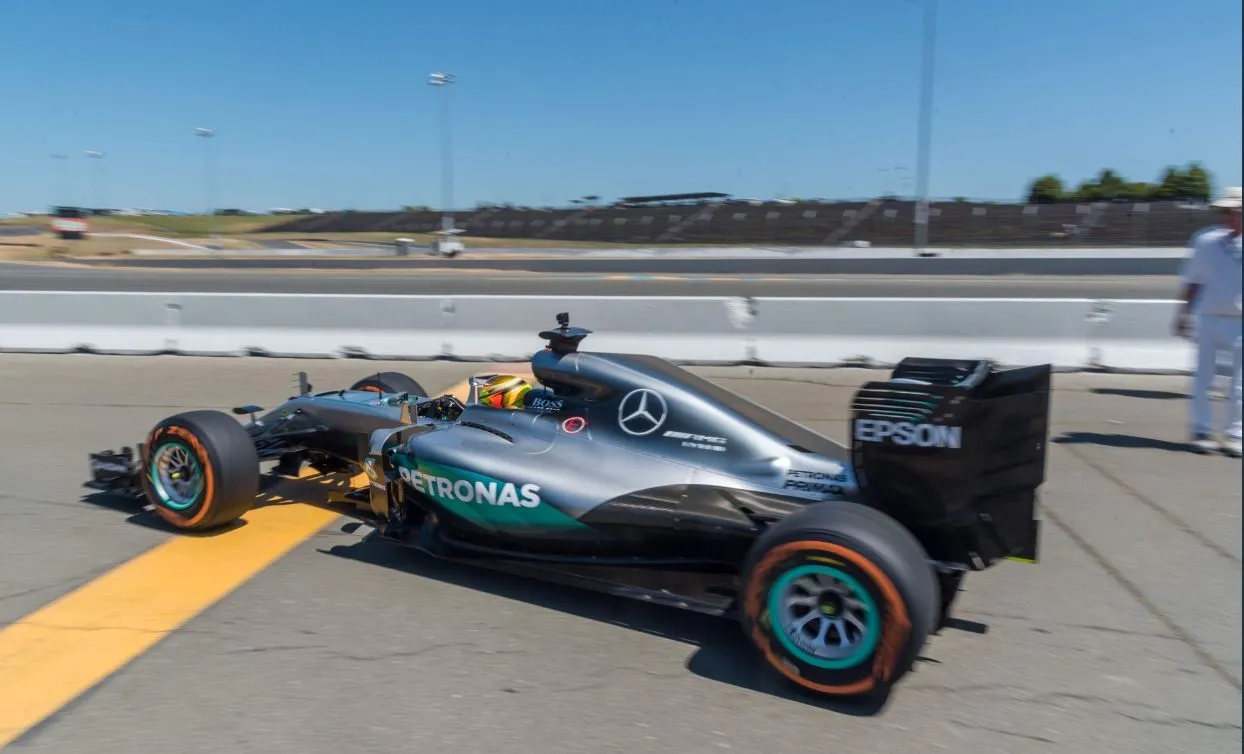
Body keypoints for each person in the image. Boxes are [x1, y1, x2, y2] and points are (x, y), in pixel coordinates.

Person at [1173, 186, 1242, 457]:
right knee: (1204, 378)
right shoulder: (1205, 240)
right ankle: (1201, 430)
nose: (1226, 216)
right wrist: (1183, 313)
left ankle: (1236, 434)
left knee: (1240, 382)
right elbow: (1193, 279)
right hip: (1209, 316)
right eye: (1223, 211)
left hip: (1241, 320)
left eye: (1231, 211)